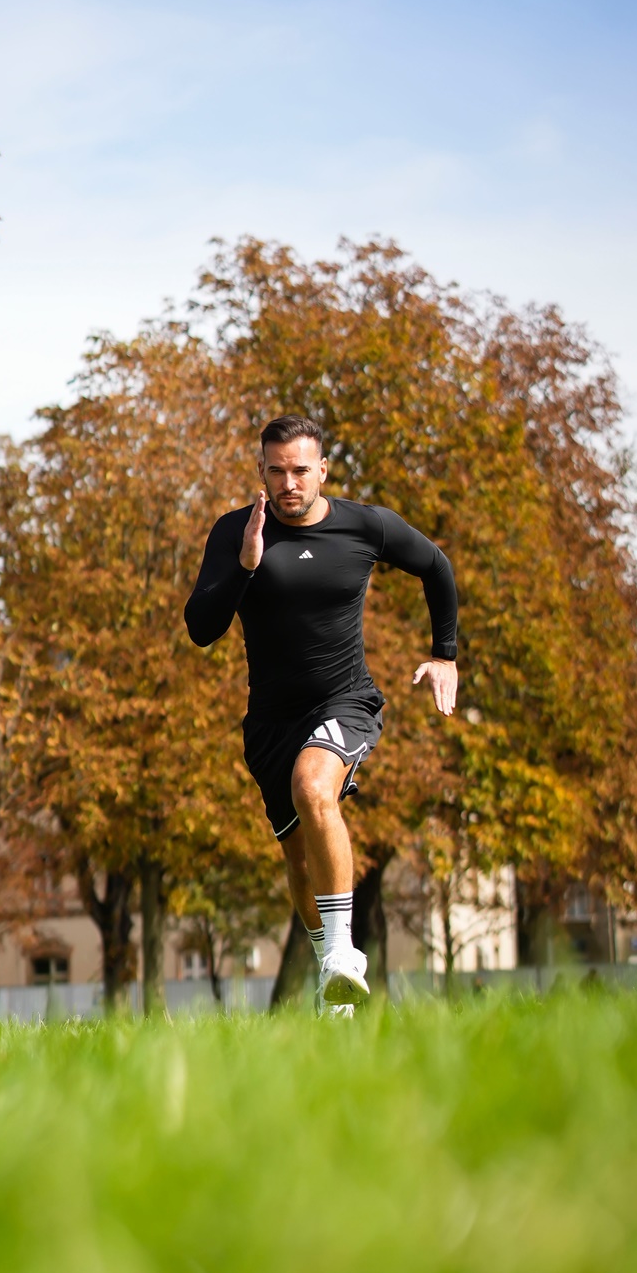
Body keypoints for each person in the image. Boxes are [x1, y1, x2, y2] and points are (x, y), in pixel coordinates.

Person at [184, 415, 458, 1011]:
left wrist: (445, 656)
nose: (289, 483)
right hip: (269, 724)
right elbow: (201, 629)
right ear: (261, 470)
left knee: (315, 787)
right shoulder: (236, 532)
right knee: (299, 863)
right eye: (276, 470)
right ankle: (333, 986)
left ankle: (342, 954)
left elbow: (436, 566)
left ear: (323, 470)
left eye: (301, 470)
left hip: (345, 701)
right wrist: (246, 565)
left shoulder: (366, 524)